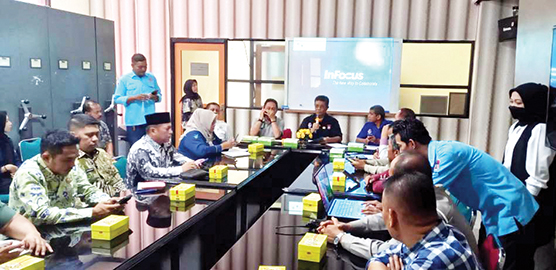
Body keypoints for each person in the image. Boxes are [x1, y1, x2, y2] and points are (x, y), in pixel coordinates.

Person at [391, 119, 539, 270]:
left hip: (510, 210)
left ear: (411, 143)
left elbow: (421, 191)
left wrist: (390, 203)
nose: (399, 151)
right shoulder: (435, 156)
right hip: (492, 211)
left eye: (400, 146)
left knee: (513, 263)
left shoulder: (447, 154)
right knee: (490, 260)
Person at [318, 151, 478, 260]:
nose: (387, 181)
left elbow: (382, 252)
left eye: (392, 178)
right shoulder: (427, 197)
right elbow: (387, 223)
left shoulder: (435, 214)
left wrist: (340, 238)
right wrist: (348, 226)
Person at [367, 172, 480, 270]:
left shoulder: (433, 260)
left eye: (383, 210)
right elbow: (375, 260)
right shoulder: (434, 232)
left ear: (392, 217)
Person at [9, 130, 123, 225]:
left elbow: (87, 190)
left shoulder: (72, 164)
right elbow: (43, 214)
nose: (73, 164)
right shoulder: (28, 173)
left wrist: (107, 201)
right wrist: (92, 212)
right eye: (68, 160)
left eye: (75, 158)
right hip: (32, 237)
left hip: (66, 231)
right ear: (47, 157)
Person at [504, 83, 556, 249]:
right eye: (511, 102)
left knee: (525, 247)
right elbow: (508, 163)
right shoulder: (516, 127)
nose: (513, 107)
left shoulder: (541, 130)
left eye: (519, 103)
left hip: (531, 201)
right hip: (514, 196)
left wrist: (524, 206)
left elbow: (538, 175)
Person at [126, 112, 199, 189]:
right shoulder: (140, 149)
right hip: (140, 194)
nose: (171, 132)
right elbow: (149, 174)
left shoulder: (166, 144)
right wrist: (181, 169)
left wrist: (192, 163)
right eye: (167, 129)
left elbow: (177, 157)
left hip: (163, 188)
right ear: (153, 131)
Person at [69, 114, 127, 197]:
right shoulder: (71, 161)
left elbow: (117, 180)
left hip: (115, 201)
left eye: (97, 134)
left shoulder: (101, 154)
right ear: (73, 136)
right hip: (91, 207)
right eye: (89, 135)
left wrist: (123, 197)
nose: (95, 139)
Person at [114, 53, 162, 146]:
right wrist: (134, 98)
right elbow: (117, 98)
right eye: (140, 67)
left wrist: (154, 97)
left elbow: (159, 95)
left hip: (150, 121)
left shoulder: (151, 78)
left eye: (145, 67)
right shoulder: (125, 79)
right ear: (132, 65)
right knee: (137, 149)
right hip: (134, 122)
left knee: (152, 148)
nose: (143, 69)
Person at [0, 111, 21, 194]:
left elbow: (16, 160)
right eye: (7, 121)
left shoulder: (7, 141)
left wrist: (17, 171)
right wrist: (5, 168)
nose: (10, 123)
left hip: (10, 178)